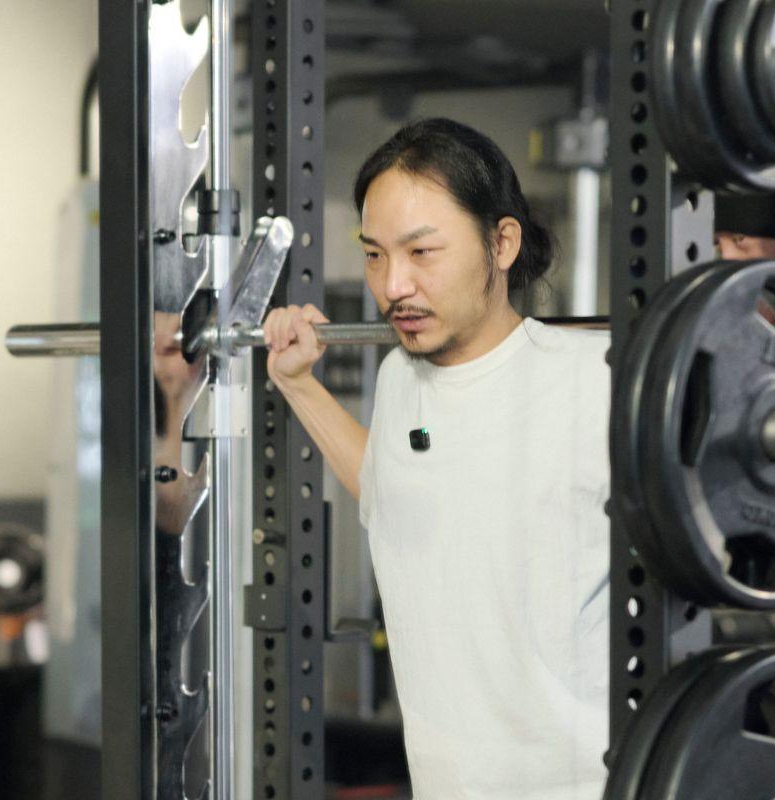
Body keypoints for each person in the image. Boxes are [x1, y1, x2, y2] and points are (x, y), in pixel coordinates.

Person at [263, 118, 611, 800]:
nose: (393, 284)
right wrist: (298, 385)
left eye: (422, 251)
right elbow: (393, 492)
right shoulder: (401, 377)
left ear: (501, 243)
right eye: (374, 254)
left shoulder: (594, 378)